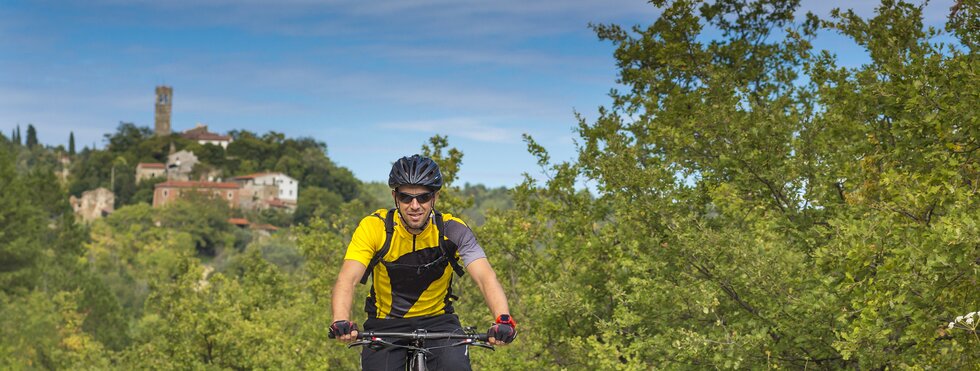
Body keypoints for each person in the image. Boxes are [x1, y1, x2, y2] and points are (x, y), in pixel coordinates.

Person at [329, 154, 517, 370]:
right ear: (395, 197)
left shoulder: (452, 229)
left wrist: (502, 320)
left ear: (435, 197)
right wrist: (341, 320)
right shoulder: (374, 228)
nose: (415, 205)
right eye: (406, 197)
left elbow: (485, 277)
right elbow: (347, 279)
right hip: (386, 324)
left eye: (424, 197)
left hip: (439, 322)